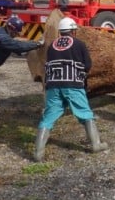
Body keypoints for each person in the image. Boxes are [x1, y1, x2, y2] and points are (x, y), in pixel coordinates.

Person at [33, 17, 108, 162]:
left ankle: (38, 153)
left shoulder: (52, 45)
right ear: (73, 31)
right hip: (72, 84)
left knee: (48, 117)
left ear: (60, 32)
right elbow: (87, 65)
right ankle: (96, 144)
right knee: (85, 113)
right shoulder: (79, 44)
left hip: (53, 85)